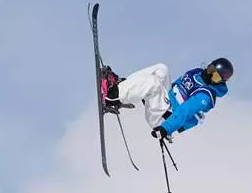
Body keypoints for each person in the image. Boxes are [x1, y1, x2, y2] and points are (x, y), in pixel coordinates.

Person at [100, 58, 233, 141]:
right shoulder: (197, 73)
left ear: (220, 81)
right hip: (166, 103)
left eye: (215, 77)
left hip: (166, 118)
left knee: (153, 83)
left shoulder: (206, 96)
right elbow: (175, 88)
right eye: (211, 69)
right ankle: (121, 87)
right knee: (162, 69)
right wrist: (152, 96)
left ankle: (112, 98)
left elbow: (185, 111)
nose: (209, 75)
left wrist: (165, 129)